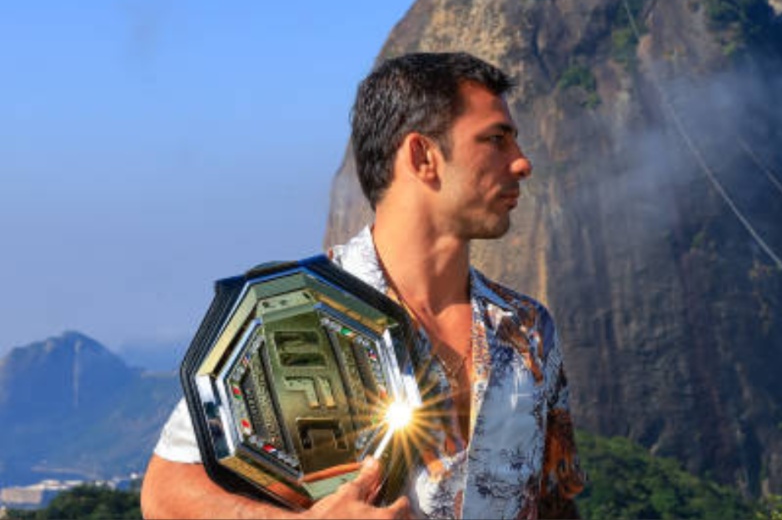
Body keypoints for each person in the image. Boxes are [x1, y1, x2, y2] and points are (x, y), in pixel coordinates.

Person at [142, 52, 585, 519]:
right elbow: (164, 493)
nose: (522, 163)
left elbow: (554, 500)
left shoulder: (528, 328)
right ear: (422, 156)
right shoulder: (294, 312)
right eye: (496, 140)